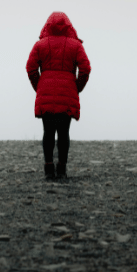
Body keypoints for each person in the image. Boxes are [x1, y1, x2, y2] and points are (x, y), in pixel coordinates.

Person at [26, 12, 91, 182]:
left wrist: (39, 87)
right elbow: (85, 69)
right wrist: (77, 88)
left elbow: (30, 68)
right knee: (63, 133)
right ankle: (61, 170)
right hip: (67, 93)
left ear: (47, 26)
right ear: (69, 26)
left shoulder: (40, 45)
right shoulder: (75, 46)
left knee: (47, 131)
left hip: (46, 92)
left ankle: (48, 169)